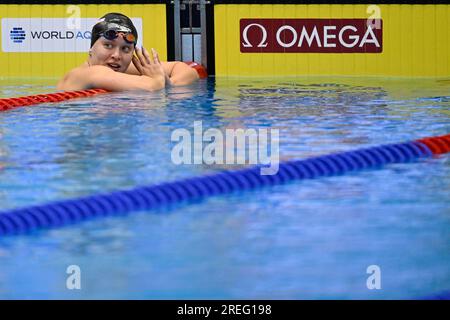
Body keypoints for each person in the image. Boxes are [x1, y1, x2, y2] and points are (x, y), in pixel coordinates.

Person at [57, 13, 199, 92]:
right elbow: (151, 86)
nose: (116, 55)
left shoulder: (120, 70)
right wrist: (158, 80)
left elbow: (187, 71)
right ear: (91, 48)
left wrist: (170, 83)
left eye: (125, 49)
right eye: (108, 45)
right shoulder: (86, 74)